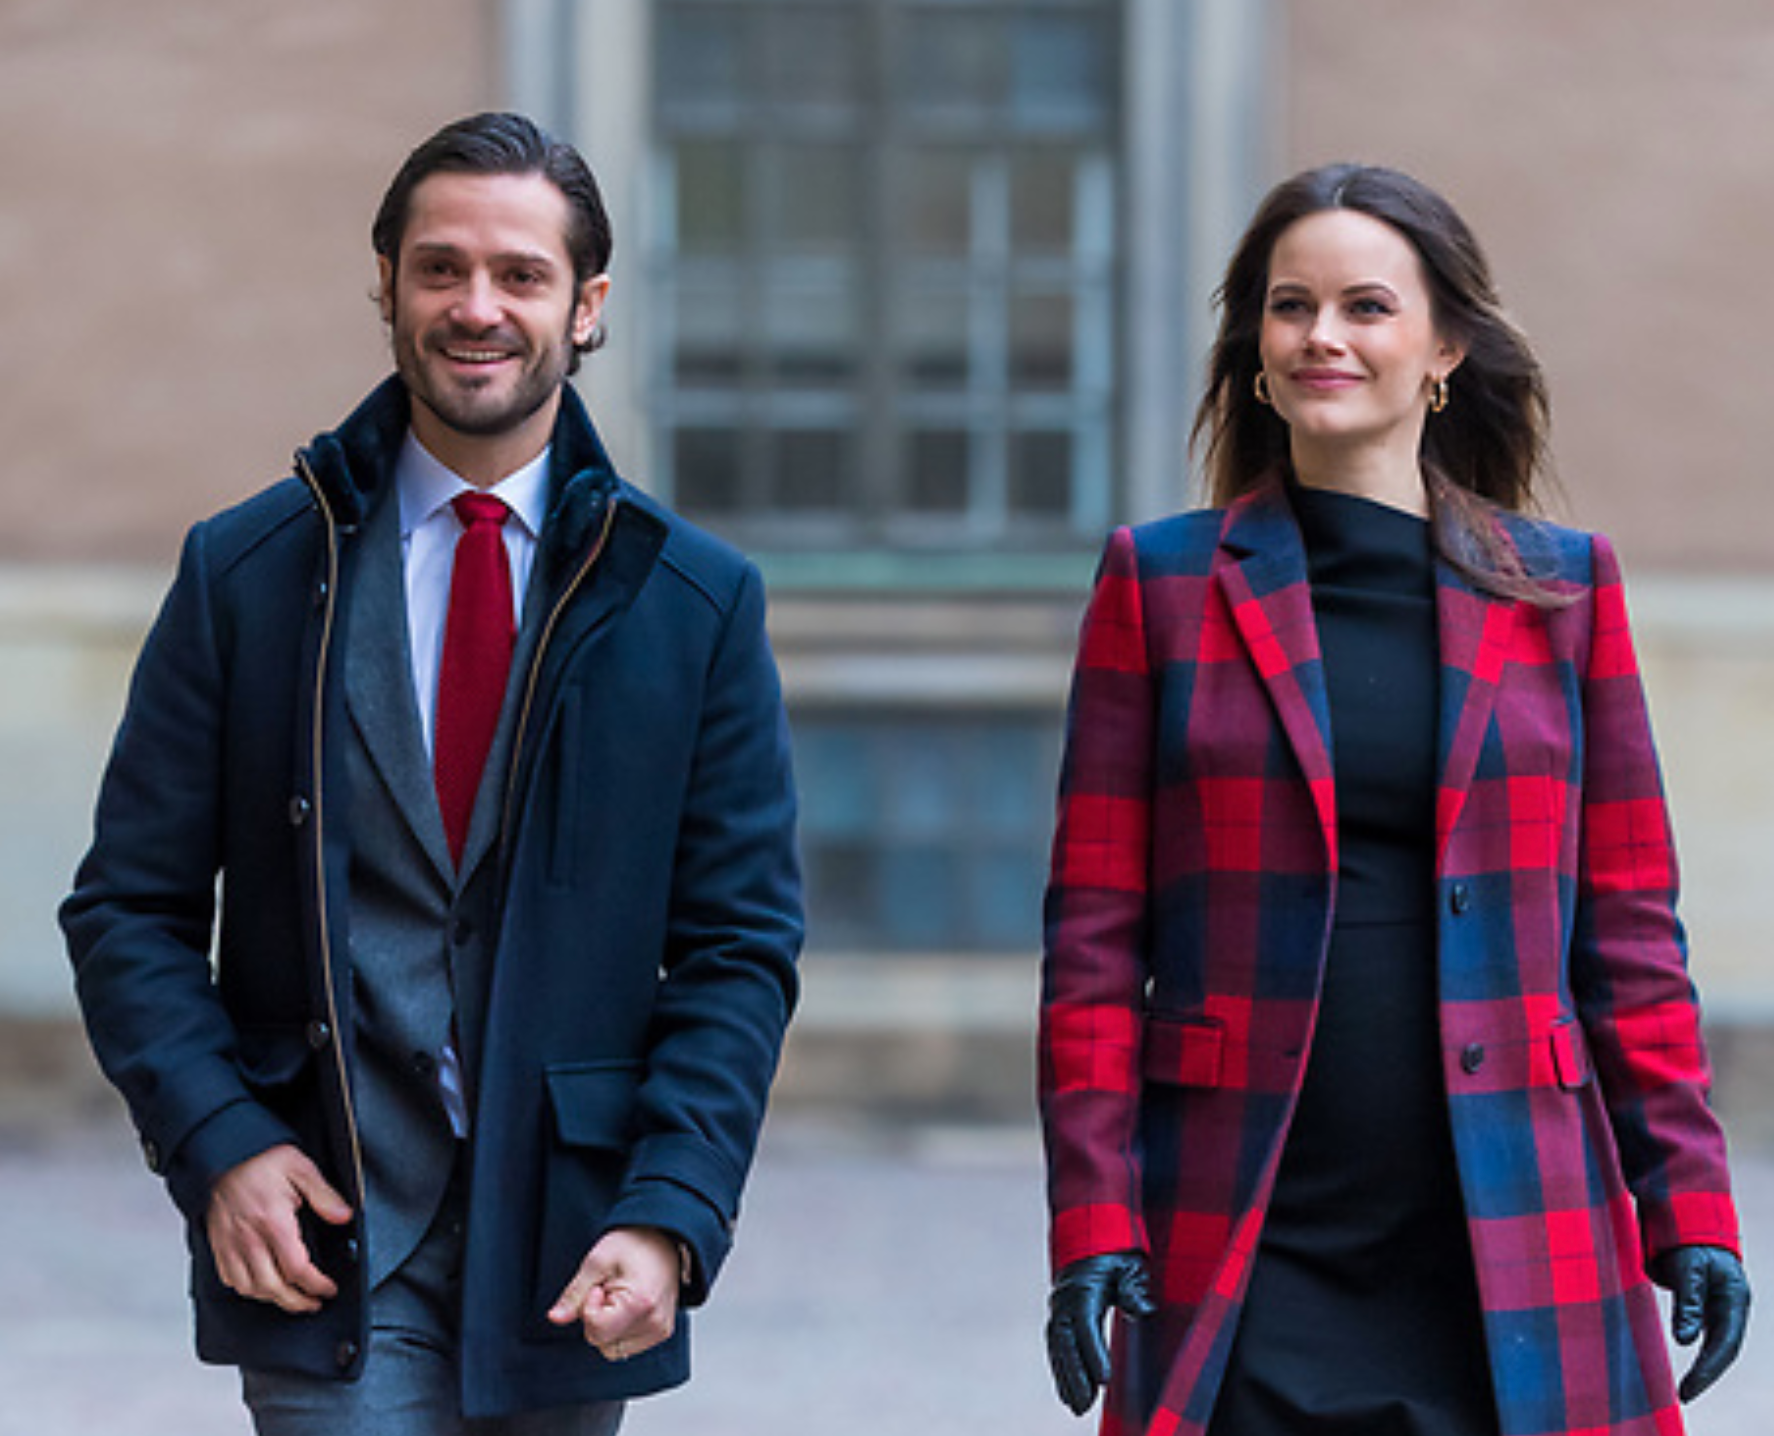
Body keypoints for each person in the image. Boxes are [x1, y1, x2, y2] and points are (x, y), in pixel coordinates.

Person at [60, 112, 802, 1435]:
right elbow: (128, 910)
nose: (477, 307)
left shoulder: (694, 604)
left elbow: (739, 945)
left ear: (587, 308)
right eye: (438, 268)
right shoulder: (245, 575)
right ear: (386, 287)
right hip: (331, 1238)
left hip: (569, 1247)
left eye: (520, 274)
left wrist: (672, 1206)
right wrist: (221, 1142)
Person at [1037, 162, 1750, 1436]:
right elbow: (1093, 943)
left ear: (1443, 347)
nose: (1322, 336)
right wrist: (1093, 1218)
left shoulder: (1562, 592)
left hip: (1511, 1227)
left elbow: (1632, 941)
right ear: (1254, 349)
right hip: (1243, 1224)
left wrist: (1687, 1202)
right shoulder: (1159, 586)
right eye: (1288, 305)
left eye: (1366, 306)